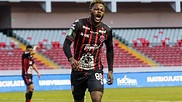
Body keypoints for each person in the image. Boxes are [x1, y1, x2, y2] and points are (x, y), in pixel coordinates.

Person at [63, 0, 114, 102]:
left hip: (95, 70)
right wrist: (71, 59)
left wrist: (110, 71)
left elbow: (110, 49)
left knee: (96, 98)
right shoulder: (79, 24)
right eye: (96, 9)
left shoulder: (106, 30)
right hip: (78, 71)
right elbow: (66, 44)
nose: (99, 12)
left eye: (102, 10)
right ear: (90, 10)